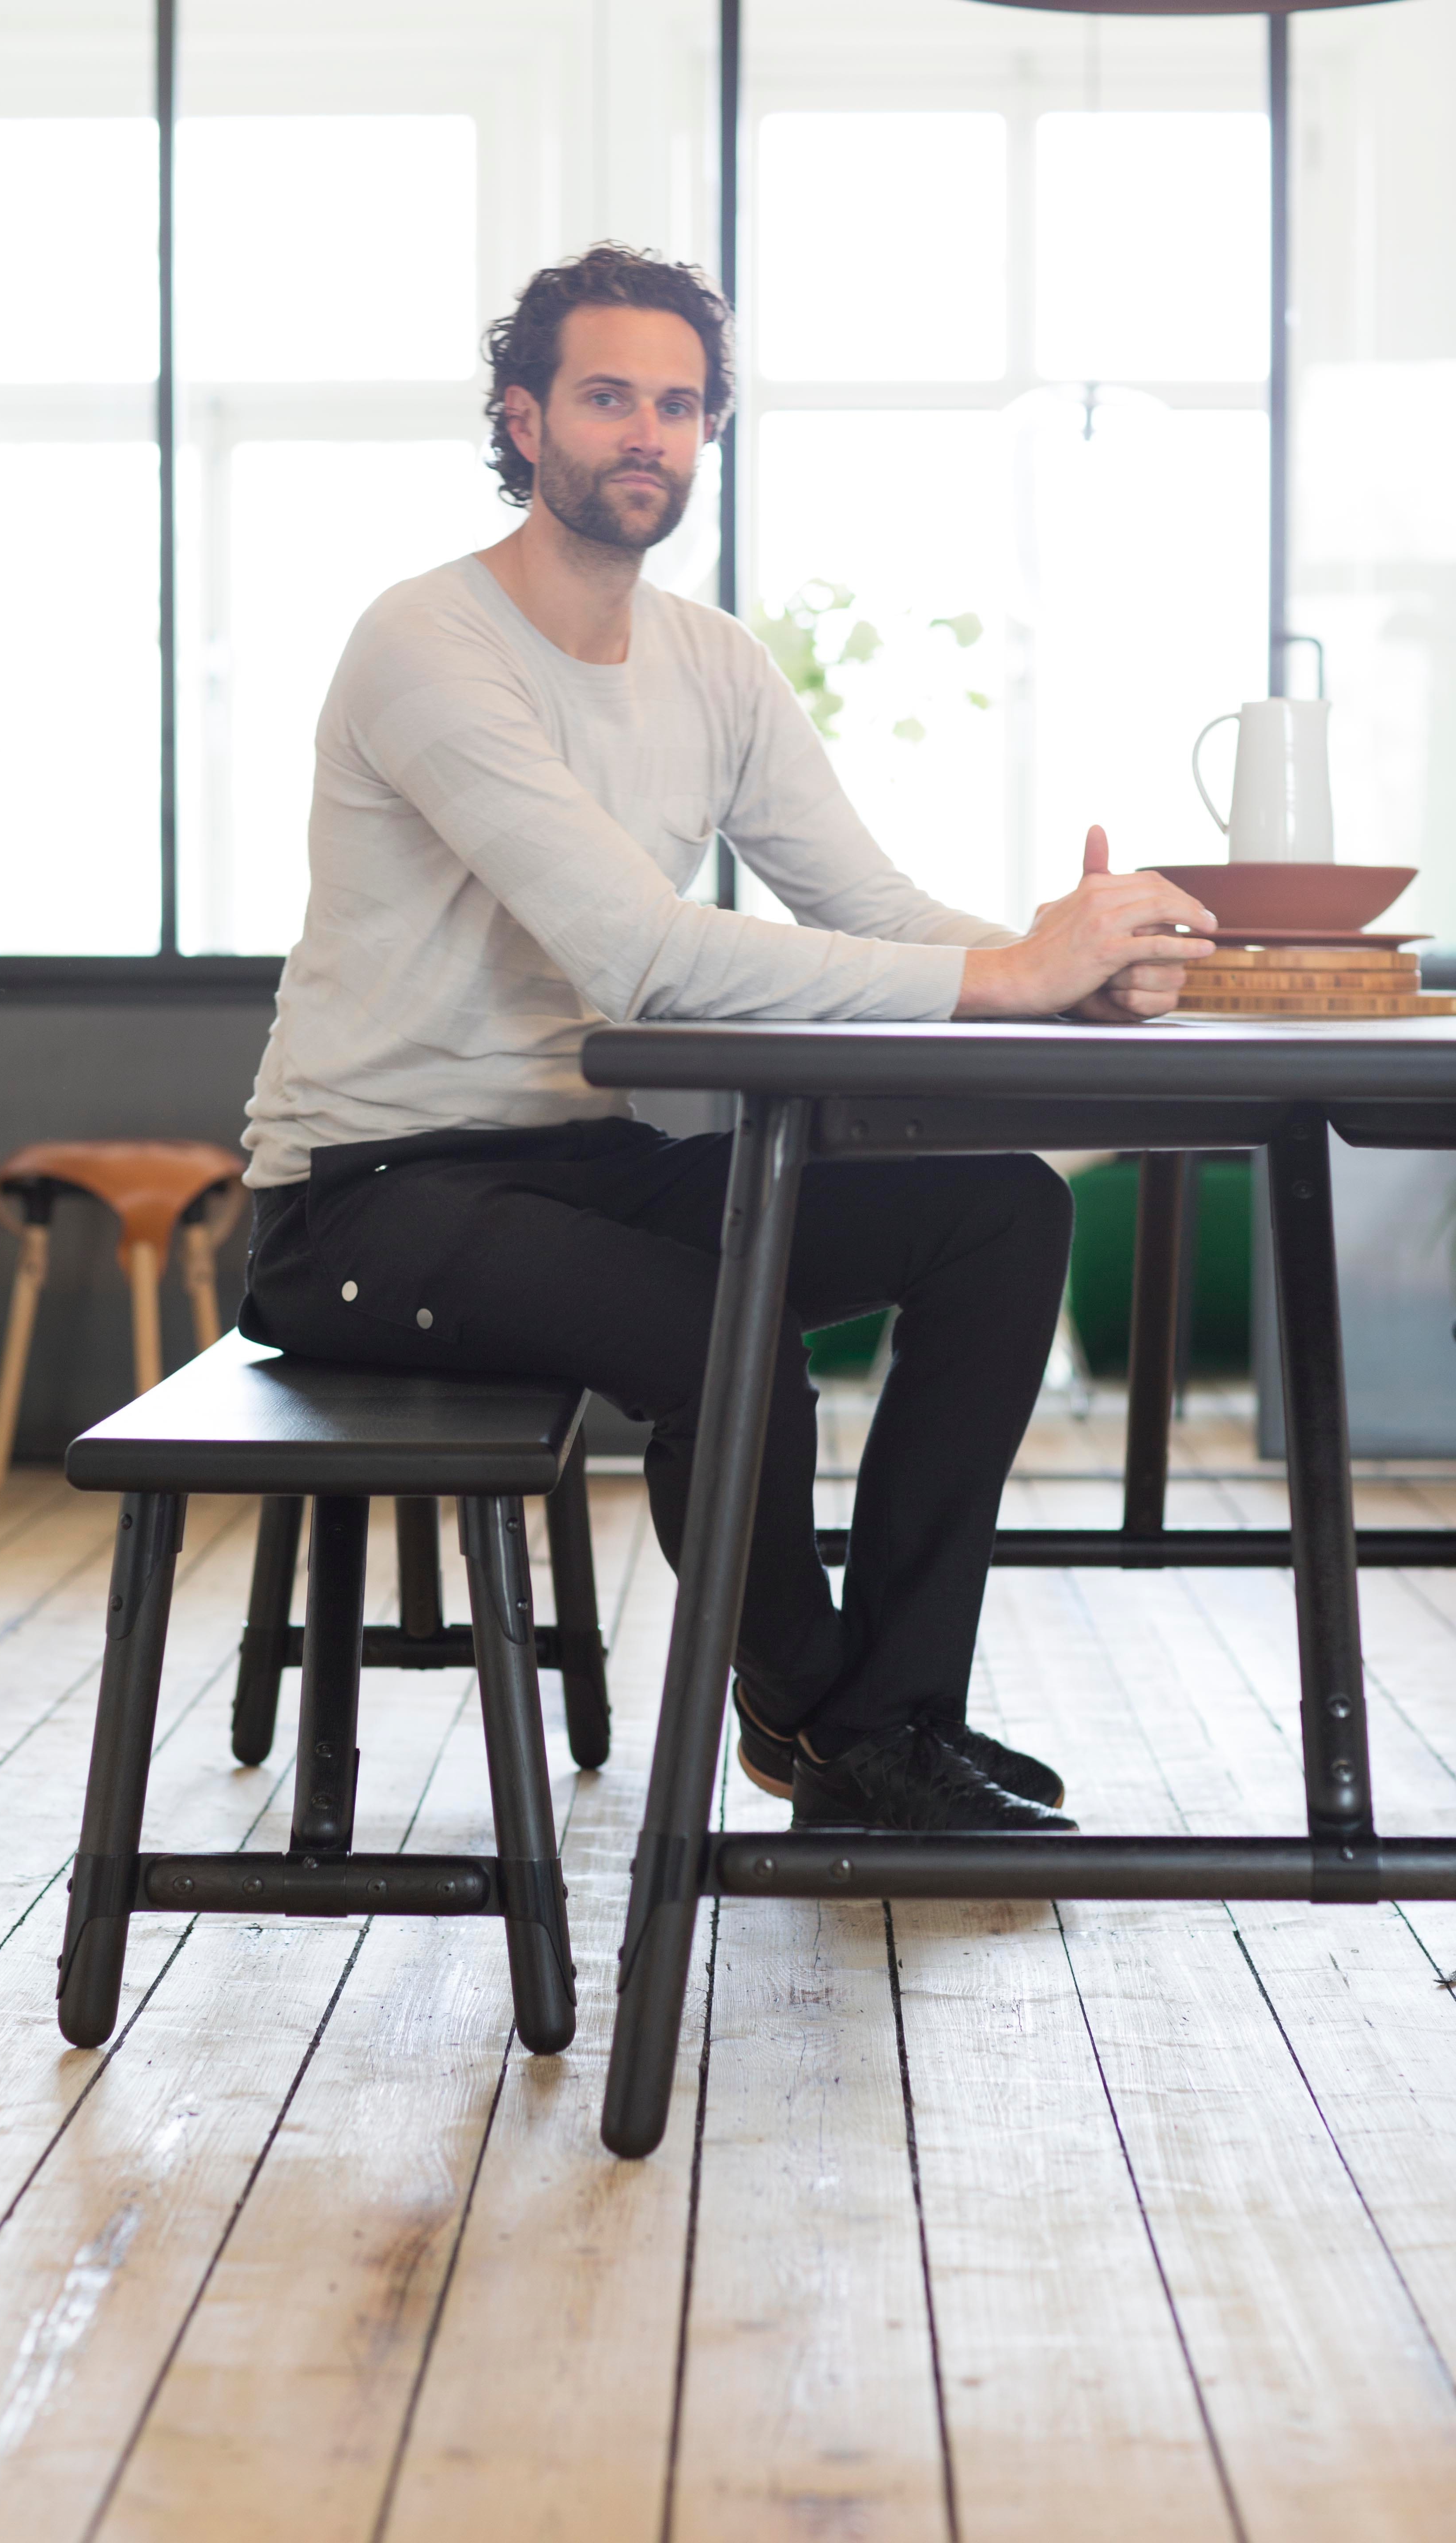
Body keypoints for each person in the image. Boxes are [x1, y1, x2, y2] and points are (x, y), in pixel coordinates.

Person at [238, 244, 1215, 1837]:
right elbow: (643, 956)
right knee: (726, 1334)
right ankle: (838, 1725)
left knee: (1004, 1208)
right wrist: (1015, 980)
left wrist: (1070, 964)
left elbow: (873, 903)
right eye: (609, 396)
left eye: (681, 406)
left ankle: (885, 1720)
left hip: (582, 1168)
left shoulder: (715, 666)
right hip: (362, 1199)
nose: (648, 434)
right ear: (522, 415)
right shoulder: (428, 642)